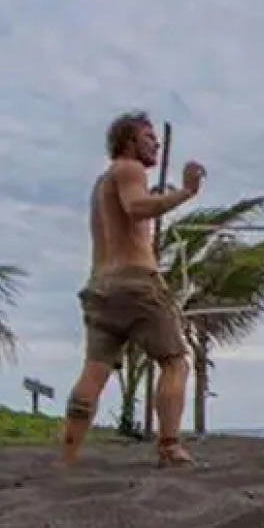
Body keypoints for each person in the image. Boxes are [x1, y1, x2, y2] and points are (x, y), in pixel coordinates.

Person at [58, 112, 204, 468]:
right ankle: (169, 447)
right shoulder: (128, 169)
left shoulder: (101, 183)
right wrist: (185, 193)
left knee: (94, 371)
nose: (156, 143)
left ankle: (68, 456)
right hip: (135, 283)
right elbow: (136, 208)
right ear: (129, 142)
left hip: (100, 287)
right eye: (149, 137)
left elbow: (131, 209)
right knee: (175, 362)